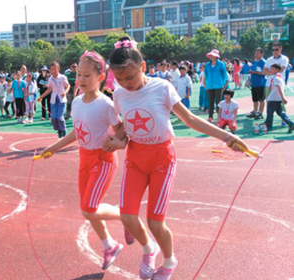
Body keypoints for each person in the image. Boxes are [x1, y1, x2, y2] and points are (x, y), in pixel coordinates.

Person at [103, 37, 251, 280]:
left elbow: (191, 120)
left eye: (129, 77)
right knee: (127, 216)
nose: (125, 84)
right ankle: (148, 250)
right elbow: (124, 127)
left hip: (162, 159)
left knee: (154, 223)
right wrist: (117, 141)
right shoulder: (119, 94)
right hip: (136, 159)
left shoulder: (161, 88)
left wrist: (227, 137)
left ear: (142, 67)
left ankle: (169, 262)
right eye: (119, 79)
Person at [39, 50, 134, 270]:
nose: (81, 79)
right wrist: (53, 147)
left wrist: (117, 140)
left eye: (87, 75)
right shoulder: (78, 102)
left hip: (103, 160)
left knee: (89, 209)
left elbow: (121, 128)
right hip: (85, 159)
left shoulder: (106, 105)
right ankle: (109, 244)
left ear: (100, 77)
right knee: (89, 208)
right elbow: (76, 132)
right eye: (79, 74)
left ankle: (125, 214)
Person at [38, 62, 70, 138]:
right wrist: (41, 96)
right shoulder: (50, 79)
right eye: (52, 69)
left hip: (61, 99)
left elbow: (68, 85)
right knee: (53, 118)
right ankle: (58, 129)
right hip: (53, 99)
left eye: (55, 69)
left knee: (59, 117)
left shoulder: (63, 77)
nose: (53, 71)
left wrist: (65, 92)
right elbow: (49, 89)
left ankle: (63, 129)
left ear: (58, 69)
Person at [263, 43, 290, 126]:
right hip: (269, 84)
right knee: (269, 102)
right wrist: (272, 72)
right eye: (273, 50)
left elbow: (281, 70)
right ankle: (268, 121)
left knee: (281, 102)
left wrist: (270, 72)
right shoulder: (269, 59)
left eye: (276, 49)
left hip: (278, 83)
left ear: (280, 49)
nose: (274, 51)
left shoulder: (284, 59)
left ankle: (284, 120)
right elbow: (264, 71)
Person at [262, 64, 294, 133]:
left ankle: (269, 126)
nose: (270, 70)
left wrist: (283, 98)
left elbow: (279, 88)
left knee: (270, 113)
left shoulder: (276, 78)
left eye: (272, 69)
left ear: (277, 70)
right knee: (280, 112)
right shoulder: (279, 77)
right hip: (277, 98)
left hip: (273, 98)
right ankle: (290, 123)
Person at [204, 49, 228, 122]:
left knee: (218, 102)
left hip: (218, 85)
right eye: (210, 55)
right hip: (210, 86)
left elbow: (224, 74)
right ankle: (210, 116)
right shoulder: (207, 65)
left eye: (212, 55)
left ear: (216, 56)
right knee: (210, 102)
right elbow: (206, 74)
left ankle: (219, 116)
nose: (211, 56)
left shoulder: (221, 64)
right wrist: (206, 84)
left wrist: (223, 84)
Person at [248, 48, 267, 120]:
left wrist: (253, 72)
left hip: (261, 84)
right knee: (255, 99)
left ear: (262, 54)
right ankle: (255, 111)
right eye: (255, 53)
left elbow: (264, 72)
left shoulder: (263, 62)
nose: (256, 54)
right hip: (254, 83)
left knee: (261, 99)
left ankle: (260, 113)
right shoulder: (255, 62)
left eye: (258, 53)